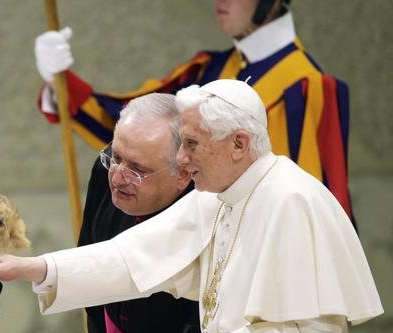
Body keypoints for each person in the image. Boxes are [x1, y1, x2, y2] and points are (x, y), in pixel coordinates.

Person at [0, 79, 382, 333]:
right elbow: (132, 257)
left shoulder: (292, 202)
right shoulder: (219, 195)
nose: (181, 159)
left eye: (192, 144)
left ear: (239, 144)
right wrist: (36, 268)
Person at [34, 0, 353, 218]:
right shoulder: (207, 69)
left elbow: (320, 205)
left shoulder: (310, 88)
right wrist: (60, 84)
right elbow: (137, 132)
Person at [80, 93, 208, 333]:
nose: (118, 176)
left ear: (182, 174)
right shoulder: (105, 171)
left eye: (137, 169)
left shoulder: (207, 214)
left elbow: (202, 330)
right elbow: (89, 266)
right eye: (117, 156)